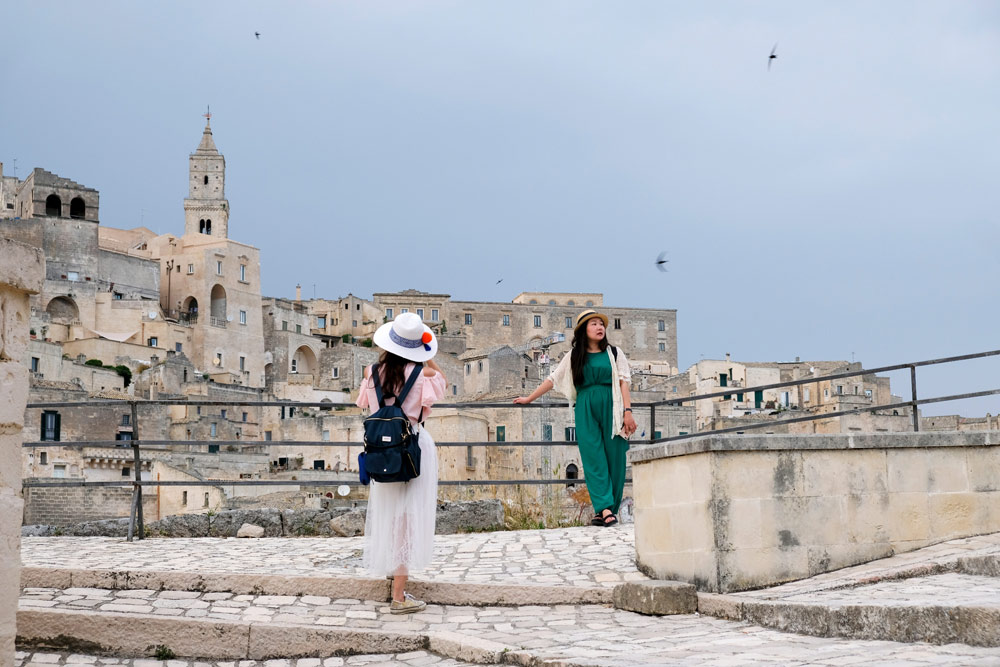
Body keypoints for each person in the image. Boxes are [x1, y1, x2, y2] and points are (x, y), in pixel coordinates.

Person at [356, 312, 447, 614]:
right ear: (414, 348)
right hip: (413, 449)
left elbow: (364, 405)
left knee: (389, 513)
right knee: (407, 520)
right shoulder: (423, 376)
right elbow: (442, 384)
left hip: (381, 451)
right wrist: (428, 356)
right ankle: (398, 596)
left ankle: (392, 567)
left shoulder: (371, 373)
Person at [514, 310, 637, 526]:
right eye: (594, 324)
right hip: (586, 408)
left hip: (613, 407)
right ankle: (606, 509)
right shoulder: (574, 356)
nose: (600, 327)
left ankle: (607, 509)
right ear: (583, 330)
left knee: (615, 459)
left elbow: (623, 383)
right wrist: (529, 398)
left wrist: (628, 412)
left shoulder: (615, 353)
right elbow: (553, 379)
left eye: (602, 324)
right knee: (593, 458)